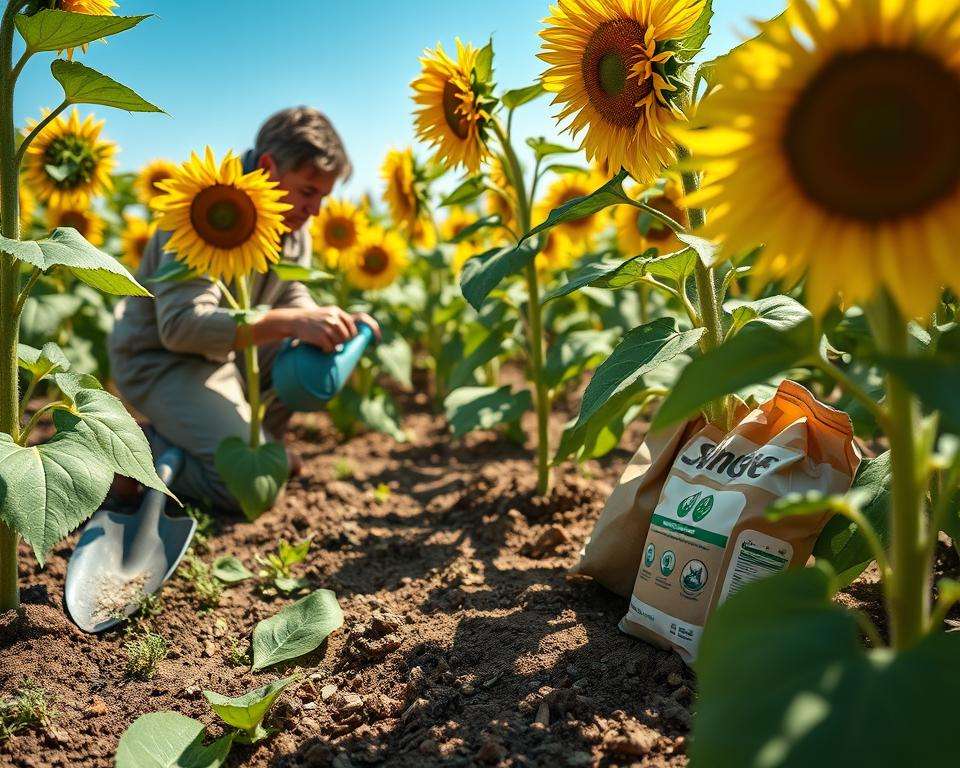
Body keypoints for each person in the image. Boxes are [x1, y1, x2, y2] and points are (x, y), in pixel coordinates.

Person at [108, 107, 379, 511]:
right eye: (308, 192)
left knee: (307, 360)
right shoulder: (209, 209)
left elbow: (291, 294)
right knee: (245, 488)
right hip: (163, 361)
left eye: (323, 197)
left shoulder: (291, 224)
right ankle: (132, 453)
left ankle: (250, 441)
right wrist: (291, 322)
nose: (316, 211)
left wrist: (321, 322)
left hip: (228, 354)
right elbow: (181, 328)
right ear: (269, 167)